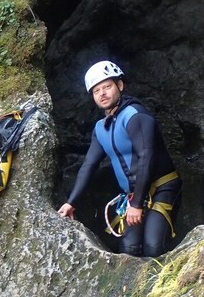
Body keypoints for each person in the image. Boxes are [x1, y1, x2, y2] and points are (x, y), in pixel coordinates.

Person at [57, 60, 182, 257]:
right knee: (129, 250)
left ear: (120, 85)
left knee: (153, 246)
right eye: (96, 90)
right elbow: (89, 165)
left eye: (107, 86)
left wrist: (137, 204)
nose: (102, 93)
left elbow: (145, 156)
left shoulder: (135, 115)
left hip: (162, 188)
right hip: (133, 195)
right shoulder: (101, 128)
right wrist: (72, 202)